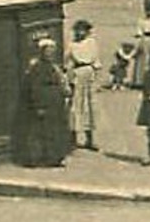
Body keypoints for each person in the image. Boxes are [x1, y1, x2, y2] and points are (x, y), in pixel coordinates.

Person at [13, 37, 71, 168]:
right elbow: (34, 88)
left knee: (55, 132)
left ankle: (54, 158)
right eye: (47, 51)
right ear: (42, 52)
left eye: (52, 51)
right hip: (44, 104)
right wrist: (39, 106)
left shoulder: (54, 67)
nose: (50, 54)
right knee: (40, 132)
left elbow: (61, 82)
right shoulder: (37, 68)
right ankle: (37, 159)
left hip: (56, 104)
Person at [64, 19, 101, 151]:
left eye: (83, 30)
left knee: (89, 106)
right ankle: (72, 139)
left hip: (89, 72)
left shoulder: (91, 43)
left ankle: (89, 139)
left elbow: (96, 61)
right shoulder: (72, 45)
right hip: (77, 73)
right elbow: (65, 60)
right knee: (75, 105)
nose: (80, 33)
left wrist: (96, 78)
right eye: (78, 30)